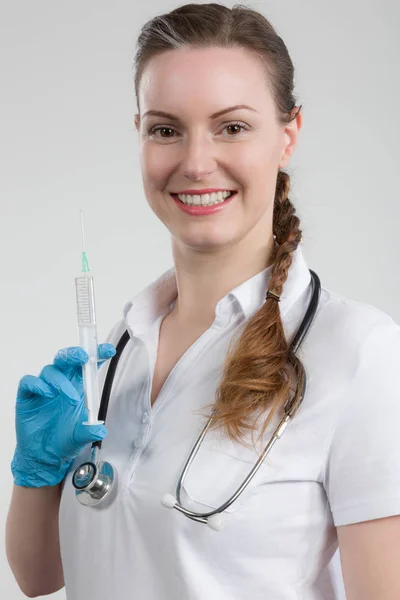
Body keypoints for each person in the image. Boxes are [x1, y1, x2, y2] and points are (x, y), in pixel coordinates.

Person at [6, 3, 400, 599]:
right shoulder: (117, 349)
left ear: (289, 134)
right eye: (166, 129)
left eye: (232, 127)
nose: (194, 163)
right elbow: (39, 578)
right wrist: (34, 474)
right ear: (138, 133)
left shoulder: (357, 352)